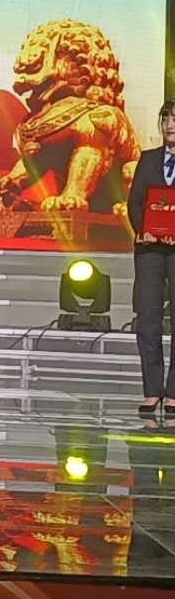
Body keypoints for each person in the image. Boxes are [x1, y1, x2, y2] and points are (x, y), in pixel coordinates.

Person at [126, 99, 175, 415]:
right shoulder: (148, 159)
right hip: (149, 250)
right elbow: (135, 203)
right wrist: (142, 230)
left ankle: (174, 394)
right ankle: (152, 390)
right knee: (148, 318)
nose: (170, 125)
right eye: (166, 119)